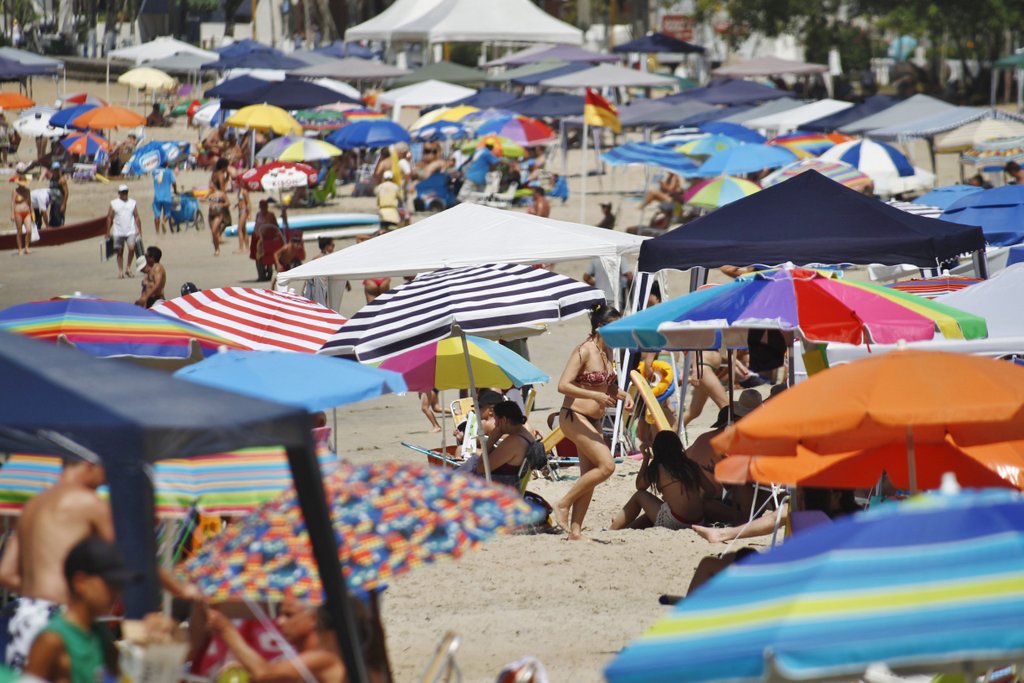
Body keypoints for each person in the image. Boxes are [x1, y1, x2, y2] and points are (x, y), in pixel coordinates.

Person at [0, 457, 111, 669]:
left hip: (26, 615)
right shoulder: (88, 502)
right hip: (62, 617)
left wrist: (39, 592)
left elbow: (5, 573)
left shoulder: (33, 505)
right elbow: (124, 555)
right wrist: (179, 588)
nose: (107, 478)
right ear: (89, 465)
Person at [554, 305, 633, 540]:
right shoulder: (584, 350)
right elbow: (563, 385)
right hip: (573, 415)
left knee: (590, 476)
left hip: (593, 420)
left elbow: (606, 386)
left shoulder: (608, 351)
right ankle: (563, 503)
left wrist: (622, 394)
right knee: (607, 466)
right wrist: (595, 396)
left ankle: (575, 531)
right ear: (600, 327)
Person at [22, 538, 131, 683]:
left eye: (119, 585)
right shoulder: (52, 640)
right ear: (80, 582)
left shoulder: (100, 634)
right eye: (110, 584)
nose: (117, 593)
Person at [205, 599, 345, 683]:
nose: (280, 621)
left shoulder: (323, 657)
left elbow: (264, 673)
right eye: (279, 614)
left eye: (288, 615)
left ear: (313, 619)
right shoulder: (295, 660)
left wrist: (226, 629)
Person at [611, 431, 715, 531]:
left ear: (657, 450)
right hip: (698, 521)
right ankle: (626, 528)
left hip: (677, 521)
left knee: (640, 495)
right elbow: (711, 490)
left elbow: (639, 486)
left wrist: (646, 458)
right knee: (654, 513)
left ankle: (613, 529)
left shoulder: (659, 467)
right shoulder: (690, 465)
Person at [474, 400, 542, 488]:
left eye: (495, 420)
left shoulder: (514, 441)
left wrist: (491, 440)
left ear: (504, 420)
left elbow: (480, 469)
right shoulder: (526, 435)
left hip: (502, 488)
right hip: (513, 484)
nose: (495, 424)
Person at [106, 184, 142, 278]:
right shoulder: (114, 203)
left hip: (130, 230)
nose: (125, 194)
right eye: (123, 192)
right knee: (119, 252)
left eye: (126, 192)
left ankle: (128, 268)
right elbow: (109, 217)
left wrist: (139, 229)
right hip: (118, 231)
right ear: (119, 193)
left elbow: (136, 216)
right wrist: (107, 231)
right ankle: (120, 271)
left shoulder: (132, 203)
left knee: (131, 249)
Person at [250, 199, 285, 282]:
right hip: (258, 237)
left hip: (268, 238)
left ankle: (269, 272)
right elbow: (256, 225)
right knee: (258, 256)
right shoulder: (258, 214)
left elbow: (275, 226)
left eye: (264, 206)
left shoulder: (271, 215)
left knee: (269, 254)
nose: (262, 208)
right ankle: (261, 275)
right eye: (261, 206)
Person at [208, 158, 231, 256]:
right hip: (220, 199)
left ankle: (217, 238)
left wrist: (228, 176)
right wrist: (224, 196)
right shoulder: (220, 174)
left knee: (218, 223)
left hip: (213, 200)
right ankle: (218, 237)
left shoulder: (214, 173)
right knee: (227, 221)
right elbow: (222, 187)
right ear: (224, 167)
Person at [151, 163, 178, 236]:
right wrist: (175, 190)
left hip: (157, 197)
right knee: (167, 213)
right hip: (167, 196)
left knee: (157, 216)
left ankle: (157, 232)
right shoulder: (169, 172)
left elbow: (157, 177)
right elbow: (174, 182)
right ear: (166, 163)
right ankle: (163, 221)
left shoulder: (154, 171)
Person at [11, 178, 32, 256]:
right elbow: (13, 202)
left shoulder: (28, 191)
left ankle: (26, 246)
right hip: (18, 212)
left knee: (29, 230)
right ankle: (20, 248)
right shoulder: (15, 191)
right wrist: (12, 214)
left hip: (27, 212)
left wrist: (32, 212)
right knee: (19, 232)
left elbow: (30, 202)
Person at [47, 164, 69, 228]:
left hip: (60, 203)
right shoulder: (52, 178)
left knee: (59, 221)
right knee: (52, 220)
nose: (55, 171)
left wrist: (63, 204)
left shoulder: (62, 180)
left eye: (57, 170)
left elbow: (66, 192)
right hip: (53, 203)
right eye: (54, 170)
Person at [234, 182, 251, 253]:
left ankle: (241, 248)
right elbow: (241, 201)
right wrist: (236, 205)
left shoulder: (244, 191)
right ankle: (247, 248)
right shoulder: (239, 191)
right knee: (244, 230)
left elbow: (248, 203)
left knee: (239, 229)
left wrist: (249, 213)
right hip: (240, 210)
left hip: (244, 211)